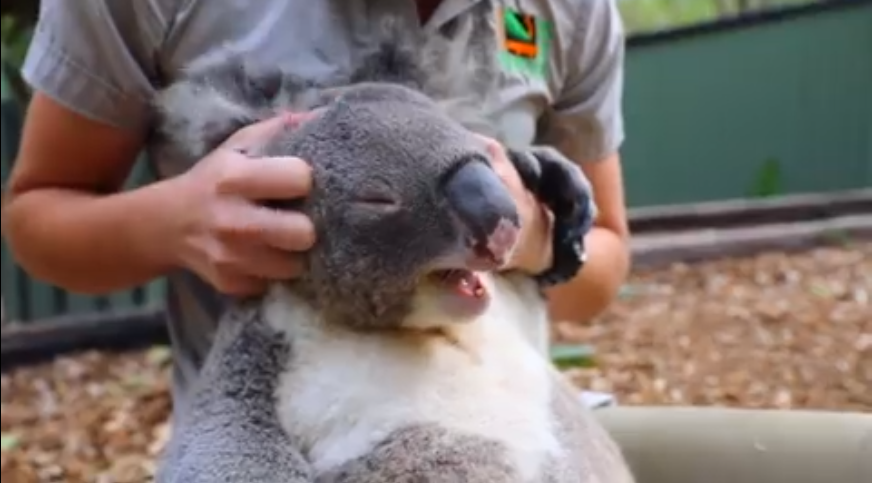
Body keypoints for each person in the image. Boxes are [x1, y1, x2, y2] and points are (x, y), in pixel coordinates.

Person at [2, 1, 868, 482]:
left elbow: (604, 263)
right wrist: (174, 220)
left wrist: (535, 236)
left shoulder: (568, 14)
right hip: (301, 441)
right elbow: (39, 214)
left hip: (524, 418)